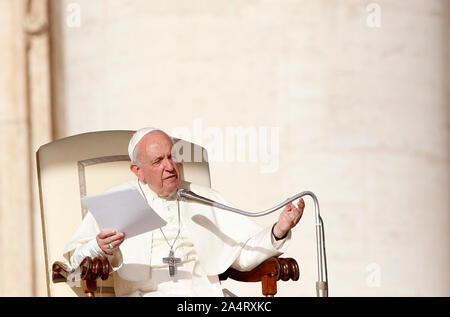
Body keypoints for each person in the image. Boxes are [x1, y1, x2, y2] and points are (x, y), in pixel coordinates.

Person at [63, 128, 304, 296]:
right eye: (158, 161)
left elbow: (241, 255)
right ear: (138, 170)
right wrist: (99, 247)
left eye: (172, 157)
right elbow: (73, 266)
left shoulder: (203, 197)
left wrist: (279, 230)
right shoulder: (116, 200)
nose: (169, 167)